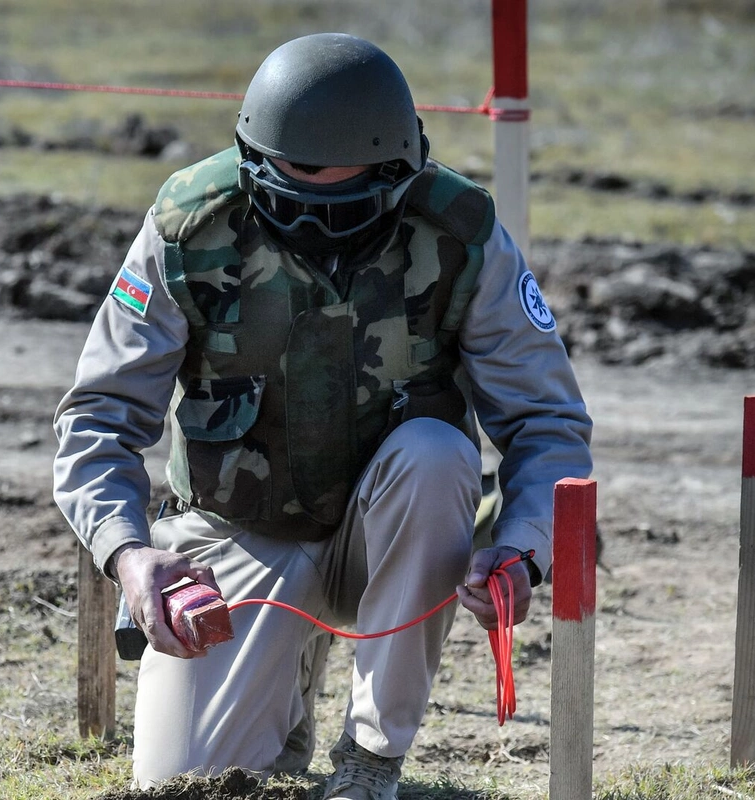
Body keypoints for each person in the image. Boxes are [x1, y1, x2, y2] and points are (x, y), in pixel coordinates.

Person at [53, 32, 593, 800]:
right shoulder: (188, 231)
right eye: (297, 198)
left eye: (353, 200)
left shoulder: (461, 236)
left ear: (399, 172)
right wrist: (130, 557)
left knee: (439, 455)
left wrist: (521, 547)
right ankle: (285, 697)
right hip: (240, 536)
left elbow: (549, 423)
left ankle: (371, 760)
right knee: (190, 784)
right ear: (253, 162)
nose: (325, 221)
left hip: (395, 545)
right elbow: (98, 419)